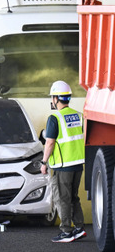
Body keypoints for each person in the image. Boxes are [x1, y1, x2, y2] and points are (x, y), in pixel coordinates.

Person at [40, 80, 86, 243]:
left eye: (53, 97)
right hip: (77, 164)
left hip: (62, 165)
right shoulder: (78, 115)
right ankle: (79, 228)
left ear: (55, 99)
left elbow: (50, 142)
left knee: (62, 199)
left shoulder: (54, 117)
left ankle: (67, 231)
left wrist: (44, 163)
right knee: (73, 197)